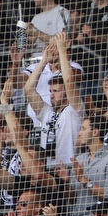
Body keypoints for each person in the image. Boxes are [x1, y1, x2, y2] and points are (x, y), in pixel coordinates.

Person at [23, 33, 84, 168]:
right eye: (50, 91)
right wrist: (44, 60)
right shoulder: (46, 112)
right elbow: (28, 89)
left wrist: (62, 50)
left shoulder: (74, 110)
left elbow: (69, 80)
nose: (51, 95)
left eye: (56, 91)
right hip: (49, 170)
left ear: (67, 93)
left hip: (69, 169)